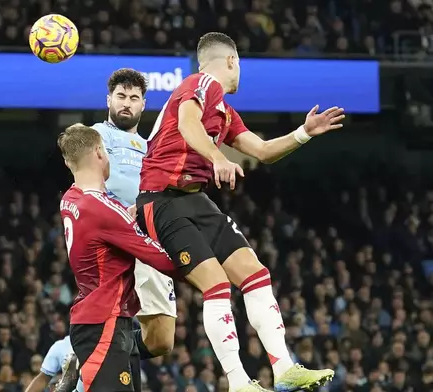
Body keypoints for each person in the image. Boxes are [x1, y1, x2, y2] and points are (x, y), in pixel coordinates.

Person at [135, 32, 345, 392]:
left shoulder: (222, 110)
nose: (239, 73)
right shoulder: (201, 83)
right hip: (160, 200)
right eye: (240, 65)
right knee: (216, 284)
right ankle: (238, 382)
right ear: (231, 61)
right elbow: (188, 124)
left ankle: (284, 369)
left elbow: (262, 151)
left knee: (255, 273)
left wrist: (303, 133)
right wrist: (218, 157)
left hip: (193, 199)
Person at [57, 123, 178, 392]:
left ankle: (79, 370)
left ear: (68, 163)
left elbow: (109, 221)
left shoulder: (70, 198)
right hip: (106, 325)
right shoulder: (106, 211)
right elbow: (164, 261)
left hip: (98, 320)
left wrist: (127, 218)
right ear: (100, 153)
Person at [91, 69, 176, 359]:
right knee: (110, 319)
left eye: (134, 98)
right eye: (121, 96)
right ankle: (94, 353)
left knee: (162, 340)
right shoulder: (96, 135)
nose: (126, 103)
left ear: (143, 104)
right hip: (113, 239)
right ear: (108, 100)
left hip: (150, 237)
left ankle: (93, 353)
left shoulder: (151, 147)